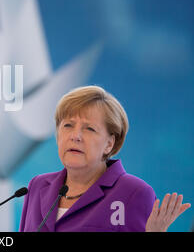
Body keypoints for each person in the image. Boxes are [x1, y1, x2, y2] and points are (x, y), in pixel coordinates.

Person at [19, 85, 190, 232]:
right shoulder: (37, 186)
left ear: (109, 143)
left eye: (90, 129)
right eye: (68, 125)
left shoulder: (134, 193)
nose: (75, 136)